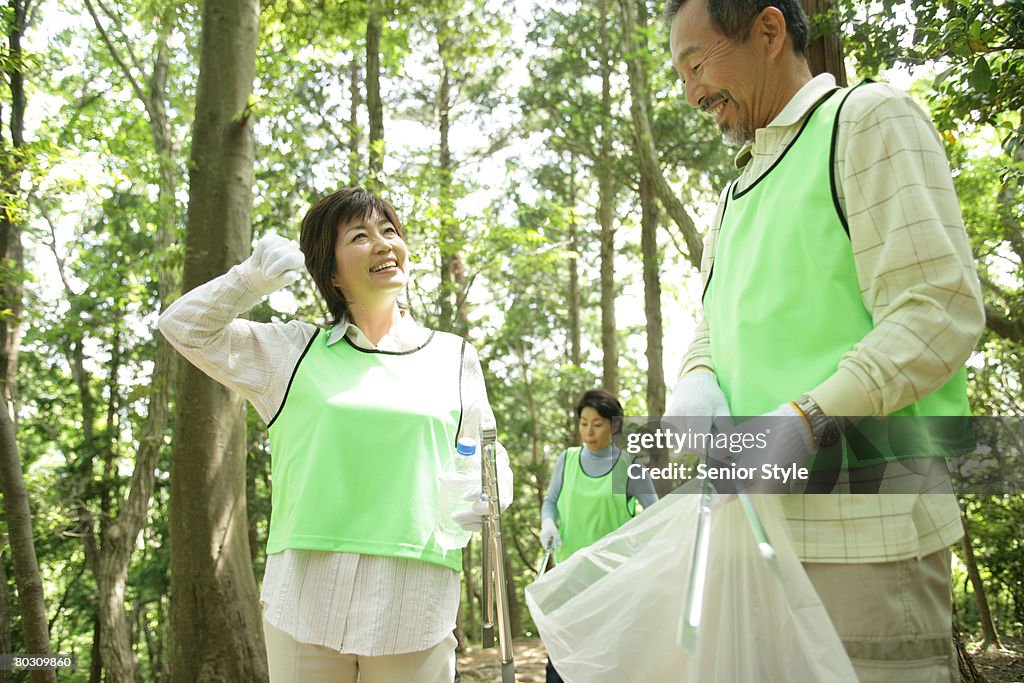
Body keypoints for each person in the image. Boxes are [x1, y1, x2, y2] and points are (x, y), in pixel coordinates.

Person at [664, 0, 985, 680]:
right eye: (681, 75)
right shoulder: (735, 192)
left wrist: (807, 418)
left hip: (867, 541)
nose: (692, 92)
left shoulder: (866, 122)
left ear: (770, 30)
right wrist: (697, 376)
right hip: (754, 543)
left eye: (697, 64)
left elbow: (938, 308)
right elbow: (714, 324)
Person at [158, 187, 512, 683]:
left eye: (390, 231)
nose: (384, 244)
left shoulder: (454, 356)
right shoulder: (293, 352)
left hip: (415, 595)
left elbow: (486, 455)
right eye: (360, 237)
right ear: (329, 271)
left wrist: (488, 495)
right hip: (304, 596)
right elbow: (183, 328)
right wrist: (249, 279)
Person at [539, 389, 659, 683]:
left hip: (613, 581)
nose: (588, 432)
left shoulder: (628, 467)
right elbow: (551, 500)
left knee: (608, 661)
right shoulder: (567, 460)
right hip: (571, 577)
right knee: (562, 660)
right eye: (583, 423)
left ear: (614, 425)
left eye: (597, 424)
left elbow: (656, 515)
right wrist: (548, 523)